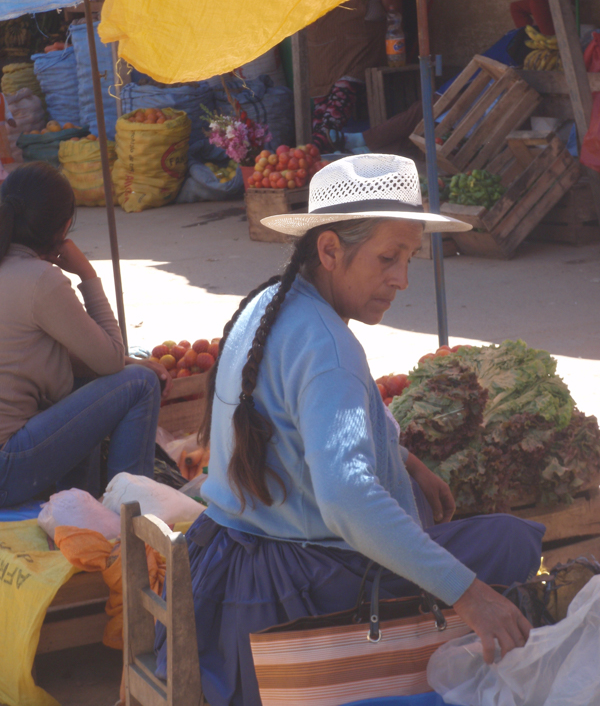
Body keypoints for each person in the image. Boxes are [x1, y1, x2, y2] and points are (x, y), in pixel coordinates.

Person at [155, 155, 544, 706]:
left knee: (448, 525)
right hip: (286, 594)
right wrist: (470, 596)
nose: (402, 280)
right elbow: (347, 498)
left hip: (225, 567)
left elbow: (307, 423)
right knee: (508, 541)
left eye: (408, 259)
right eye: (388, 258)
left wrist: (407, 462)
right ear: (330, 250)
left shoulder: (268, 303)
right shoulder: (328, 348)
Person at [0, 163, 170, 507]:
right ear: (64, 227)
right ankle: (128, 514)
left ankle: (83, 504)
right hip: (8, 465)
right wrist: (87, 274)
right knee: (141, 383)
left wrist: (124, 362)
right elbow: (109, 360)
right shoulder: (40, 280)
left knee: (94, 383)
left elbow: (68, 359)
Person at [307, 0, 405, 152]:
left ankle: (320, 145)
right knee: (327, 107)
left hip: (351, 58)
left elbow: (394, 9)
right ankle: (319, 146)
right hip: (330, 60)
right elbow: (394, 7)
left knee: (334, 103)